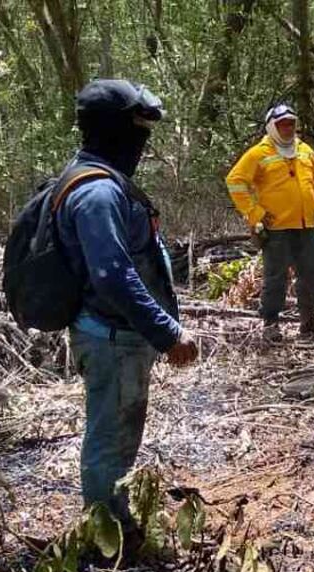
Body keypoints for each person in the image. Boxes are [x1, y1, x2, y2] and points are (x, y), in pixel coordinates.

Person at [57, 79, 198, 531]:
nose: (143, 141)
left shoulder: (102, 180)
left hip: (118, 336)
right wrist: (168, 332)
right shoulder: (97, 192)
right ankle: (105, 536)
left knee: (120, 431)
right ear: (114, 131)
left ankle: (113, 520)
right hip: (111, 339)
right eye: (137, 128)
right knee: (110, 435)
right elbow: (112, 275)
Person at [225, 104, 314, 341]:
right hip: (276, 229)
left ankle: (308, 322)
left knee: (310, 274)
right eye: (282, 124)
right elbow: (235, 181)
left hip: (307, 227)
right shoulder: (258, 153)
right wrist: (255, 213)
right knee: (275, 277)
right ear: (272, 126)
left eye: (291, 123)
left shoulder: (305, 150)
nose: (287, 128)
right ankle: (271, 325)